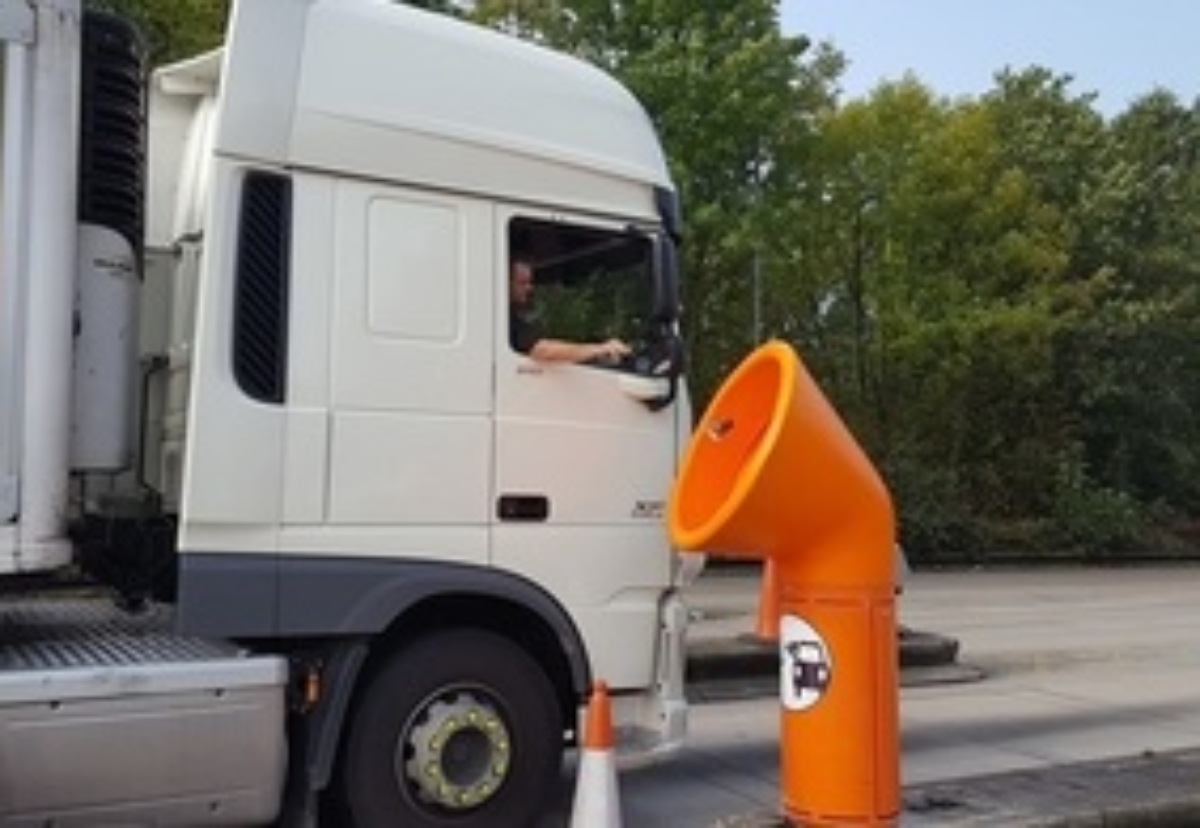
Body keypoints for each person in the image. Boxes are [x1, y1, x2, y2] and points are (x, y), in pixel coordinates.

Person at [509, 258, 631, 364]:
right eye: (522, 282)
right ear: (506, 282)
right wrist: (602, 349)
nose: (530, 288)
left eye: (529, 282)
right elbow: (541, 350)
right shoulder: (508, 320)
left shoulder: (512, 317)